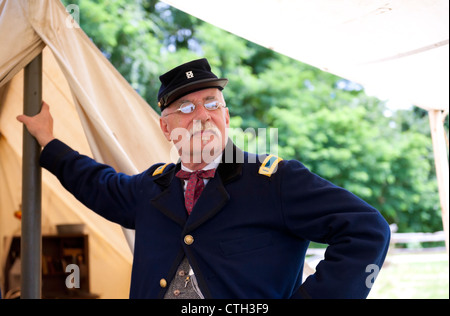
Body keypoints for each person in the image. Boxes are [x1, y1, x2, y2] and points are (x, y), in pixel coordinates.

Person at [17, 58, 390, 299]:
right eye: (185, 107)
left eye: (212, 103)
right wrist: (49, 142)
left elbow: (367, 230)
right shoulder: (152, 187)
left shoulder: (276, 181)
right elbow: (96, 183)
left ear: (226, 117)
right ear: (166, 128)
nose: (201, 115)